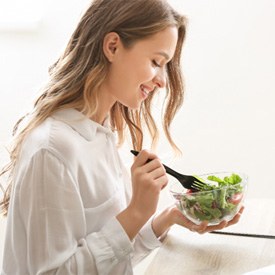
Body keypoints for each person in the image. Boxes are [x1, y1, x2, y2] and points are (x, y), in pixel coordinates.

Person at [0, 0, 244, 274]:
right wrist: (136, 212)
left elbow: (111, 259)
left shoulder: (104, 135)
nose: (162, 81)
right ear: (112, 46)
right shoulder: (52, 149)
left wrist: (168, 218)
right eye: (156, 62)